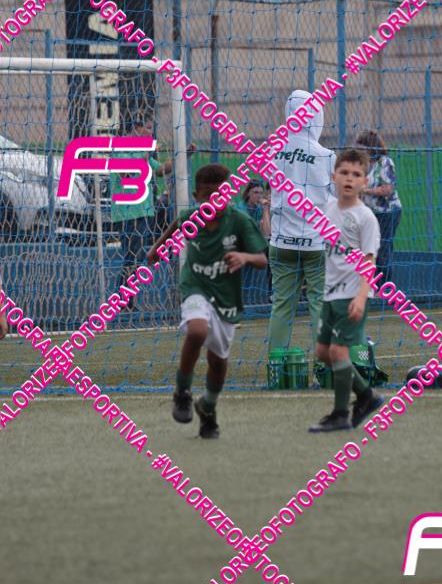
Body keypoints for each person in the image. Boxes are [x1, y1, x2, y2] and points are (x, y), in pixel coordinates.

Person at [148, 164, 267, 438]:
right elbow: (171, 233)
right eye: (207, 196)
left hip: (226, 296)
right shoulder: (190, 217)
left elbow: (262, 260)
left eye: (221, 195)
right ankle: (182, 392)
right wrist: (156, 251)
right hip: (196, 286)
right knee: (197, 330)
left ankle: (208, 408)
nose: (215, 201)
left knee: (218, 360)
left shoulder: (239, 221)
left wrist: (244, 257)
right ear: (196, 197)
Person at [309, 148, 385, 433]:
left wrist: (362, 296)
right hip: (331, 294)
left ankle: (340, 415)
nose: (349, 179)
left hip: (352, 295)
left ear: (365, 181)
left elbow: (369, 262)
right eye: (344, 173)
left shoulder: (366, 218)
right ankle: (366, 395)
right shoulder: (327, 211)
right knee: (322, 352)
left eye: (356, 174)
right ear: (334, 177)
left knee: (339, 352)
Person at [268, 90, 335, 350]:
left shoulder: (273, 150)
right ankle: (324, 363)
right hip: (316, 242)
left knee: (282, 306)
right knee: (320, 303)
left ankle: (277, 363)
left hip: (280, 240)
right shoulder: (327, 156)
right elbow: (338, 197)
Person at [111, 113, 194, 291]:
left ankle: (126, 298)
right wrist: (146, 155)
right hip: (127, 213)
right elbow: (124, 174)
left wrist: (183, 155)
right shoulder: (120, 148)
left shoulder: (142, 151)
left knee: (136, 258)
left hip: (144, 211)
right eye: (148, 128)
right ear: (136, 128)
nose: (151, 132)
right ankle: (122, 297)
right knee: (131, 258)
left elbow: (161, 169)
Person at [355, 130, 402, 282]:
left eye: (362, 148)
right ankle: (369, 283)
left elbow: (388, 189)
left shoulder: (385, 162)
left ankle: (384, 287)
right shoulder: (364, 164)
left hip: (387, 213)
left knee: (382, 249)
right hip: (370, 213)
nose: (359, 151)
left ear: (371, 147)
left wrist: (365, 190)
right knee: (367, 248)